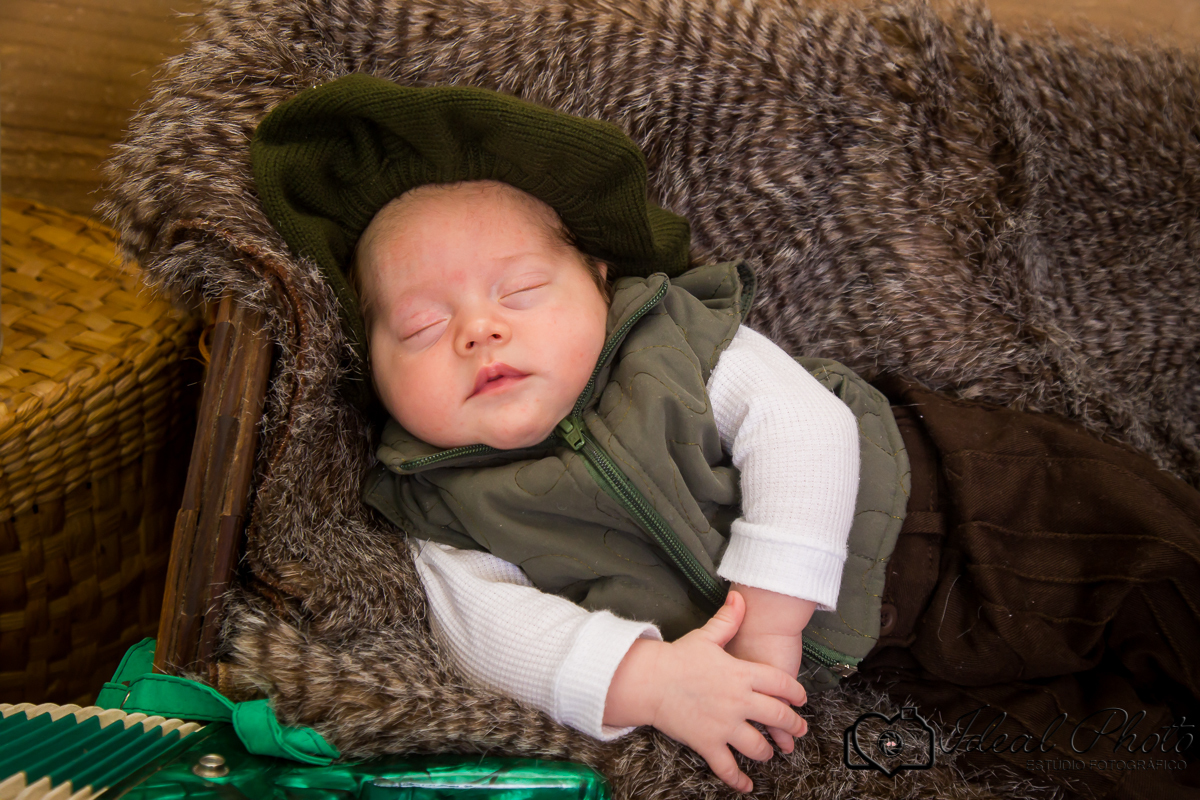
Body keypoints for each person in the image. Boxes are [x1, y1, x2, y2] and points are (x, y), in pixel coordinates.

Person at [251, 75, 1200, 800]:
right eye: (419, 327)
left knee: (1156, 565)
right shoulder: (438, 496)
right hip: (882, 659)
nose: (478, 330)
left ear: (598, 279)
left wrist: (775, 614)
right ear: (366, 366)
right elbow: (491, 633)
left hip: (955, 503)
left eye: (522, 292)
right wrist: (650, 680)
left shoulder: (672, 338)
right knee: (1087, 756)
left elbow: (802, 424)